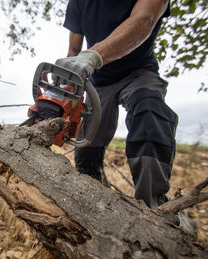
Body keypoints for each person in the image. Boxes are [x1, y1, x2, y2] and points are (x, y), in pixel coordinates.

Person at [55, 0, 178, 209]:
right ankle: (90, 202)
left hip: (139, 71)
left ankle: (154, 207)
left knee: (150, 115)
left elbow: (144, 19)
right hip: (99, 81)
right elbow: (74, 50)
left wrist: (93, 56)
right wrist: (64, 94)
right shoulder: (77, 3)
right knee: (87, 148)